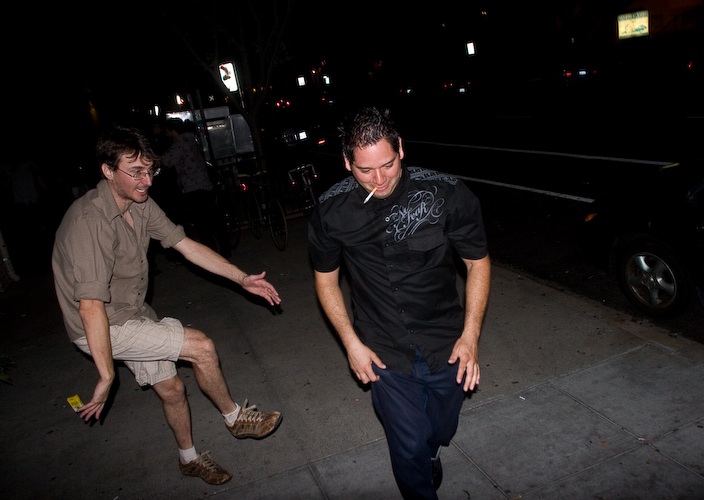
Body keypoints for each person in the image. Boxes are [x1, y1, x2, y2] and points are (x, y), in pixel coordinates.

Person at [52, 125, 282, 485]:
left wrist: (241, 278)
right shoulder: (90, 222)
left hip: (131, 314)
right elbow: (90, 306)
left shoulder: (139, 203)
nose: (147, 181)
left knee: (173, 389)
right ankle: (235, 418)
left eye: (150, 170)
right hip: (100, 326)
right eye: (136, 172)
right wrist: (107, 375)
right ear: (108, 170)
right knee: (201, 347)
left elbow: (185, 246)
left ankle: (188, 459)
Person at [308, 107, 491, 499]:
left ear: (401, 149)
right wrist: (351, 344)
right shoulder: (331, 211)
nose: (379, 179)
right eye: (365, 170)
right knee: (408, 444)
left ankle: (431, 450)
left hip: (445, 338)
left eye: (387, 165)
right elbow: (326, 282)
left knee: (440, 429)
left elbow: (477, 262)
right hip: (382, 346)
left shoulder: (446, 193)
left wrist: (471, 336)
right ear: (347, 162)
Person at [162, 118, 231, 257]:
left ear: (173, 131)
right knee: (214, 218)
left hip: (192, 186)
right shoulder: (191, 139)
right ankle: (225, 248)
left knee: (202, 223)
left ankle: (211, 253)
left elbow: (166, 162)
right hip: (205, 183)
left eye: (167, 131)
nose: (167, 134)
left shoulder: (179, 143)